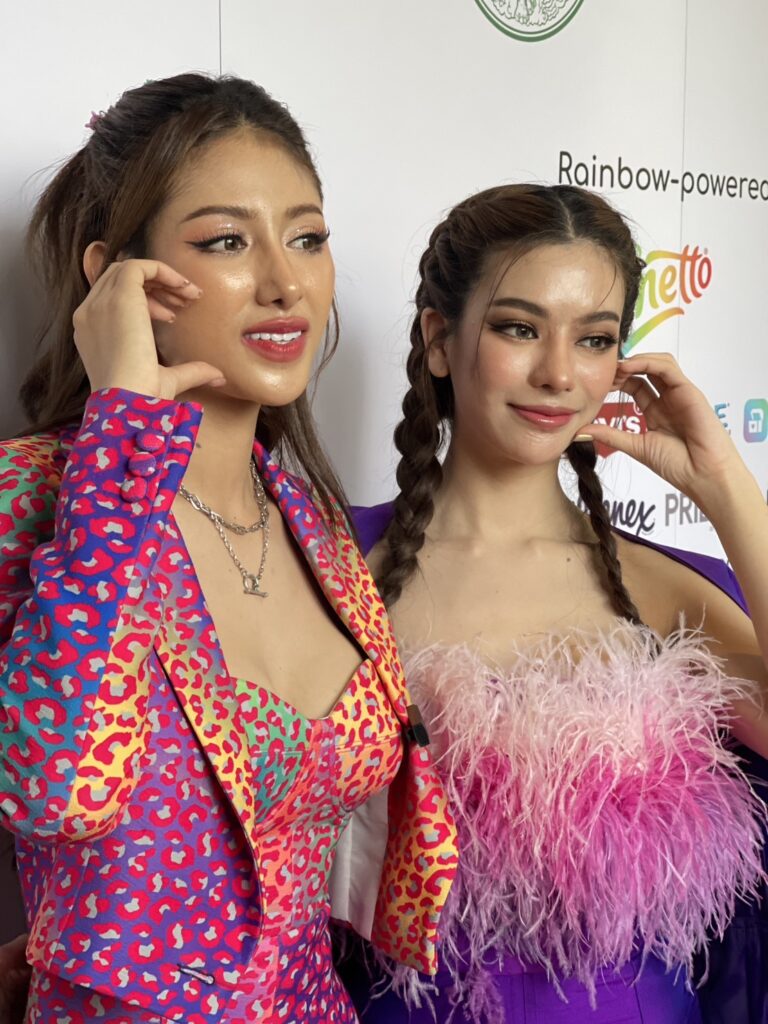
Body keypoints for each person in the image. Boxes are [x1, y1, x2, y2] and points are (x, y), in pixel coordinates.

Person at [0, 73, 457, 1024]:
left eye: (308, 237)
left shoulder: (313, 525)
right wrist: (121, 436)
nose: (286, 283)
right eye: (226, 241)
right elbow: (59, 787)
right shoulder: (29, 495)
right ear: (115, 279)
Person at [337, 183, 768, 1023]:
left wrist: (725, 487)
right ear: (439, 339)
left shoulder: (659, 587)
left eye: (594, 339)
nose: (560, 374)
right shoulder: (339, 564)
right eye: (520, 328)